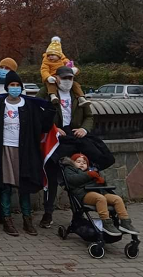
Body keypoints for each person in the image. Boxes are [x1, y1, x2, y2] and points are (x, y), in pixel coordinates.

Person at [0, 71, 55, 237]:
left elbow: (43, 126)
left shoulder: (29, 106)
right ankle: (7, 219)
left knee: (24, 185)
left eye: (18, 85)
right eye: (12, 85)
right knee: (5, 186)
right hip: (4, 148)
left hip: (24, 151)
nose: (15, 88)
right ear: (6, 87)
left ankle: (27, 219)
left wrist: (51, 110)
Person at [36, 66, 94, 229]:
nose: (68, 81)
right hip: (54, 139)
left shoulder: (78, 94)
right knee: (52, 178)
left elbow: (89, 116)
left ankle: (78, 213)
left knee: (75, 176)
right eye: (64, 78)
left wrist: (84, 129)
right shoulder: (46, 92)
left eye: (70, 78)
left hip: (74, 138)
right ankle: (48, 213)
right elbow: (37, 112)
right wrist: (53, 128)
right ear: (57, 78)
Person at [62, 153, 139, 236]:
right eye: (78, 161)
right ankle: (106, 223)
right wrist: (89, 175)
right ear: (73, 163)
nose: (82, 164)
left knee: (117, 199)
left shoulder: (91, 171)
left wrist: (101, 181)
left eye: (84, 163)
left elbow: (101, 183)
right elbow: (73, 180)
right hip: (84, 194)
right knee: (100, 198)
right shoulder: (70, 170)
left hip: (100, 191)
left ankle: (125, 222)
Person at [41, 36, 89, 106]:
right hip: (53, 78)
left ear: (59, 55)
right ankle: (53, 96)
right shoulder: (46, 62)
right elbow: (44, 70)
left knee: (75, 84)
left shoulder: (64, 61)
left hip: (63, 75)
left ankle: (81, 97)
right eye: (48, 55)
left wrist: (73, 70)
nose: (50, 57)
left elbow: (71, 66)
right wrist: (48, 77)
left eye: (53, 55)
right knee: (51, 85)